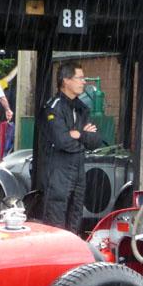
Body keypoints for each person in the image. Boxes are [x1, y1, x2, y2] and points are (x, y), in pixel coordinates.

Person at [39, 62, 103, 232]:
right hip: (58, 171)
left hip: (78, 170)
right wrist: (83, 138)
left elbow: (96, 139)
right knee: (56, 222)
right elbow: (62, 141)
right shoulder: (54, 106)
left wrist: (79, 134)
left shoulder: (82, 108)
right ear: (66, 80)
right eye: (80, 78)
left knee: (75, 216)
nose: (84, 82)